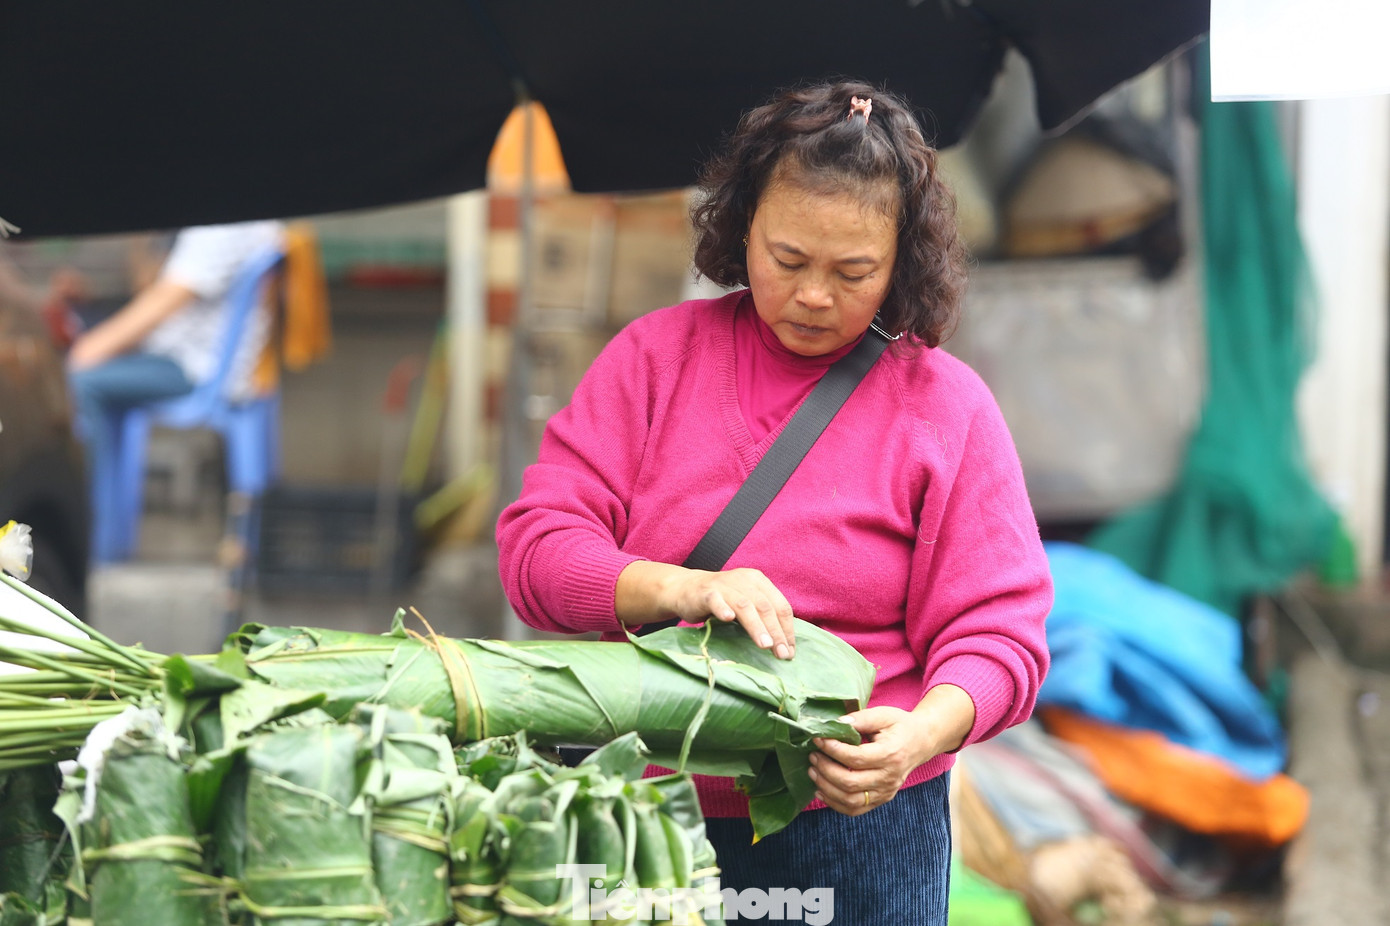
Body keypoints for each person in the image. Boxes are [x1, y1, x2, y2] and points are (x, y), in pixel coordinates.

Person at [496, 81, 1051, 923]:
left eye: (853, 271)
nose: (814, 296)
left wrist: (921, 736)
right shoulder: (652, 362)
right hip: (645, 817)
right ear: (741, 224)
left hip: (859, 823)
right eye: (787, 260)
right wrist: (682, 588)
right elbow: (537, 554)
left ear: (903, 259)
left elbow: (1000, 635)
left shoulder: (946, 407)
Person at [66, 220, 284, 555]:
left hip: (196, 368)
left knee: (82, 382)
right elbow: (148, 285)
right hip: (189, 357)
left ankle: (89, 535)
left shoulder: (228, 224)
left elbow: (166, 299)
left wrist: (87, 350)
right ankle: (102, 536)